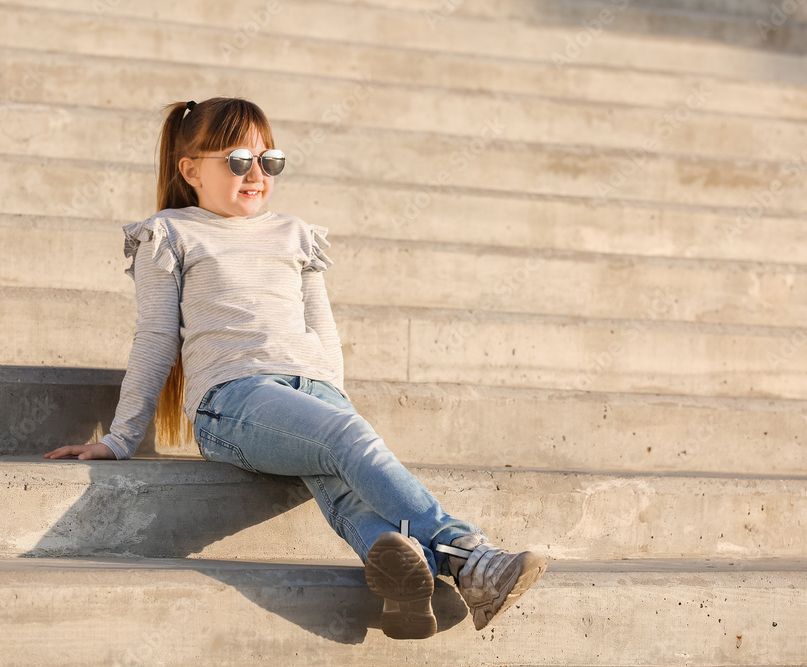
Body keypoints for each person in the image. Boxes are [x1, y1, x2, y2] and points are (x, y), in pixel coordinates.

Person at [44, 97, 546, 640]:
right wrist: (121, 438)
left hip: (310, 394)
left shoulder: (295, 233)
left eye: (270, 161)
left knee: (343, 477)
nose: (256, 174)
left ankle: (407, 579)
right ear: (191, 171)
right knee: (344, 440)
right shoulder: (170, 234)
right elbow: (157, 337)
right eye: (237, 161)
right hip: (232, 402)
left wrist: (332, 403)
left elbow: (323, 334)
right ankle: (469, 557)